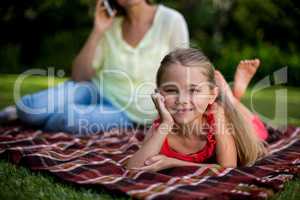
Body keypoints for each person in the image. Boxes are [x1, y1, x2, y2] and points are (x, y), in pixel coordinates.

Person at [15, 0, 189, 135]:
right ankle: (26, 117)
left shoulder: (172, 21)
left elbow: (182, 74)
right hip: (94, 89)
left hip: (127, 112)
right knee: (28, 108)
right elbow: (79, 76)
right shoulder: (110, 24)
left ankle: (40, 120)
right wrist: (98, 30)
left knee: (67, 118)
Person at [126, 48, 269, 171]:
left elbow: (228, 166)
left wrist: (172, 162)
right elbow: (133, 167)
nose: (182, 100)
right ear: (158, 94)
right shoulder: (160, 127)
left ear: (212, 95)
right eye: (171, 90)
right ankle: (229, 98)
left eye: (193, 90)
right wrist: (166, 124)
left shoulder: (216, 114)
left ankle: (232, 98)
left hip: (241, 123)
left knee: (258, 131)